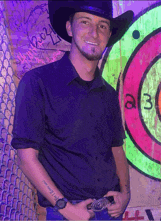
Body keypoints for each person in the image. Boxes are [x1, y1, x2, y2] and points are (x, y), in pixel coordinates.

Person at [11, 0, 134, 220]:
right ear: (70, 27)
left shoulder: (107, 93)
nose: (94, 32)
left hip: (109, 210)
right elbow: (27, 158)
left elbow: (117, 149)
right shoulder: (37, 83)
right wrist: (65, 207)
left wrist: (126, 194)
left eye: (103, 25)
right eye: (85, 22)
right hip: (66, 213)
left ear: (109, 35)